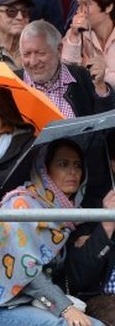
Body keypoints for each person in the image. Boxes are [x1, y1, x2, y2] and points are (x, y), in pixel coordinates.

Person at [0, 139, 102, 326]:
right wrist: (65, 308)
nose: (73, 172)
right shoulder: (21, 206)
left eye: (77, 165)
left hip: (32, 303)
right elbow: (27, 270)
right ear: (45, 170)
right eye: (63, 164)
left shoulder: (63, 215)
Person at [64, 133, 115, 325]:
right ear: (112, 164)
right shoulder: (90, 207)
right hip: (105, 298)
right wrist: (106, 223)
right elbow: (80, 276)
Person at [20, 20, 115, 120]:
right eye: (26, 54)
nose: (33, 62)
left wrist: (100, 87)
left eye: (41, 53)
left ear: (59, 50)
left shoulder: (83, 78)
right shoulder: (9, 86)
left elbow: (106, 127)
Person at [63, 0, 115, 85]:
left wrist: (102, 74)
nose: (80, 11)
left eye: (86, 4)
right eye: (79, 4)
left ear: (109, 7)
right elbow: (65, 75)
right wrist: (74, 37)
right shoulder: (76, 33)